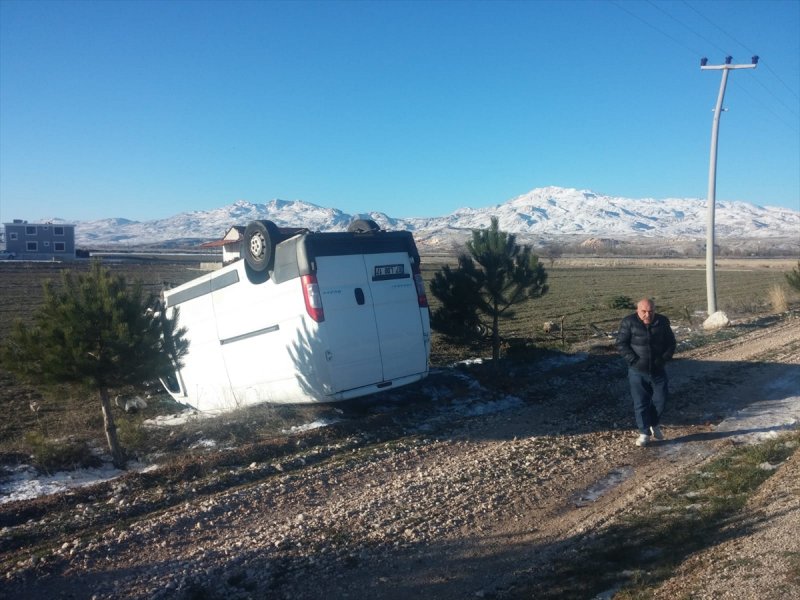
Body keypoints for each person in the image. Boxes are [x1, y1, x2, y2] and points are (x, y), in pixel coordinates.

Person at [616, 298, 676, 447]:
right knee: (640, 403)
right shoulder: (628, 322)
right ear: (638, 310)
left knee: (661, 400)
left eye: (651, 311)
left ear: (655, 310)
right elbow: (621, 343)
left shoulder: (662, 321)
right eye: (644, 311)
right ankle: (644, 433)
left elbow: (671, 343)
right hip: (637, 371)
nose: (647, 315)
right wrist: (633, 360)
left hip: (658, 370)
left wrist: (664, 359)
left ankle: (654, 424)